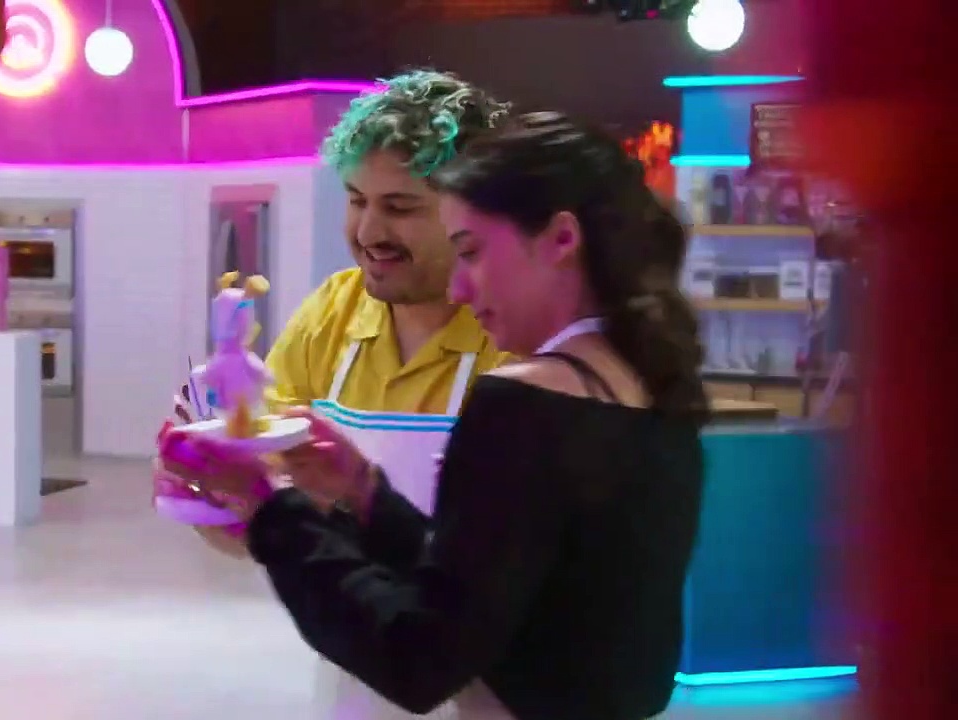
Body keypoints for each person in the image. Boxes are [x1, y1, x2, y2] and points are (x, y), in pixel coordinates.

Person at [158, 112, 708, 720]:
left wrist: (272, 511)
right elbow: (490, 592)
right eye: (357, 200)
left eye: (470, 252)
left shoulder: (522, 402)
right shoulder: (647, 386)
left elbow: (417, 658)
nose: (461, 289)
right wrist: (366, 494)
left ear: (560, 239)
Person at [155, 69, 513, 719]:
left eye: (400, 207)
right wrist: (209, 495)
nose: (368, 231)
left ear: (472, 214)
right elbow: (268, 522)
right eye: (356, 199)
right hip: (360, 669)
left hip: (489, 687)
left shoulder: (514, 335)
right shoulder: (333, 313)